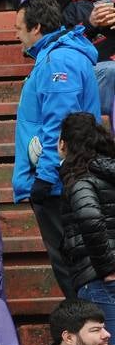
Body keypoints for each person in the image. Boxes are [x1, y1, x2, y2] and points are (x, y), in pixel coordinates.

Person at [13, 0, 102, 300]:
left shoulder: (57, 59)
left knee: (70, 263)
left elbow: (60, 123)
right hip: (66, 176)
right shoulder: (59, 56)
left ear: (36, 27)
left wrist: (45, 176)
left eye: (19, 29)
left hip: (58, 182)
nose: (17, 36)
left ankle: (87, 332)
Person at [58, 113, 115, 324]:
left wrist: (107, 269)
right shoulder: (107, 172)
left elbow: (90, 219)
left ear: (64, 144)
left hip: (100, 280)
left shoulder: (81, 179)